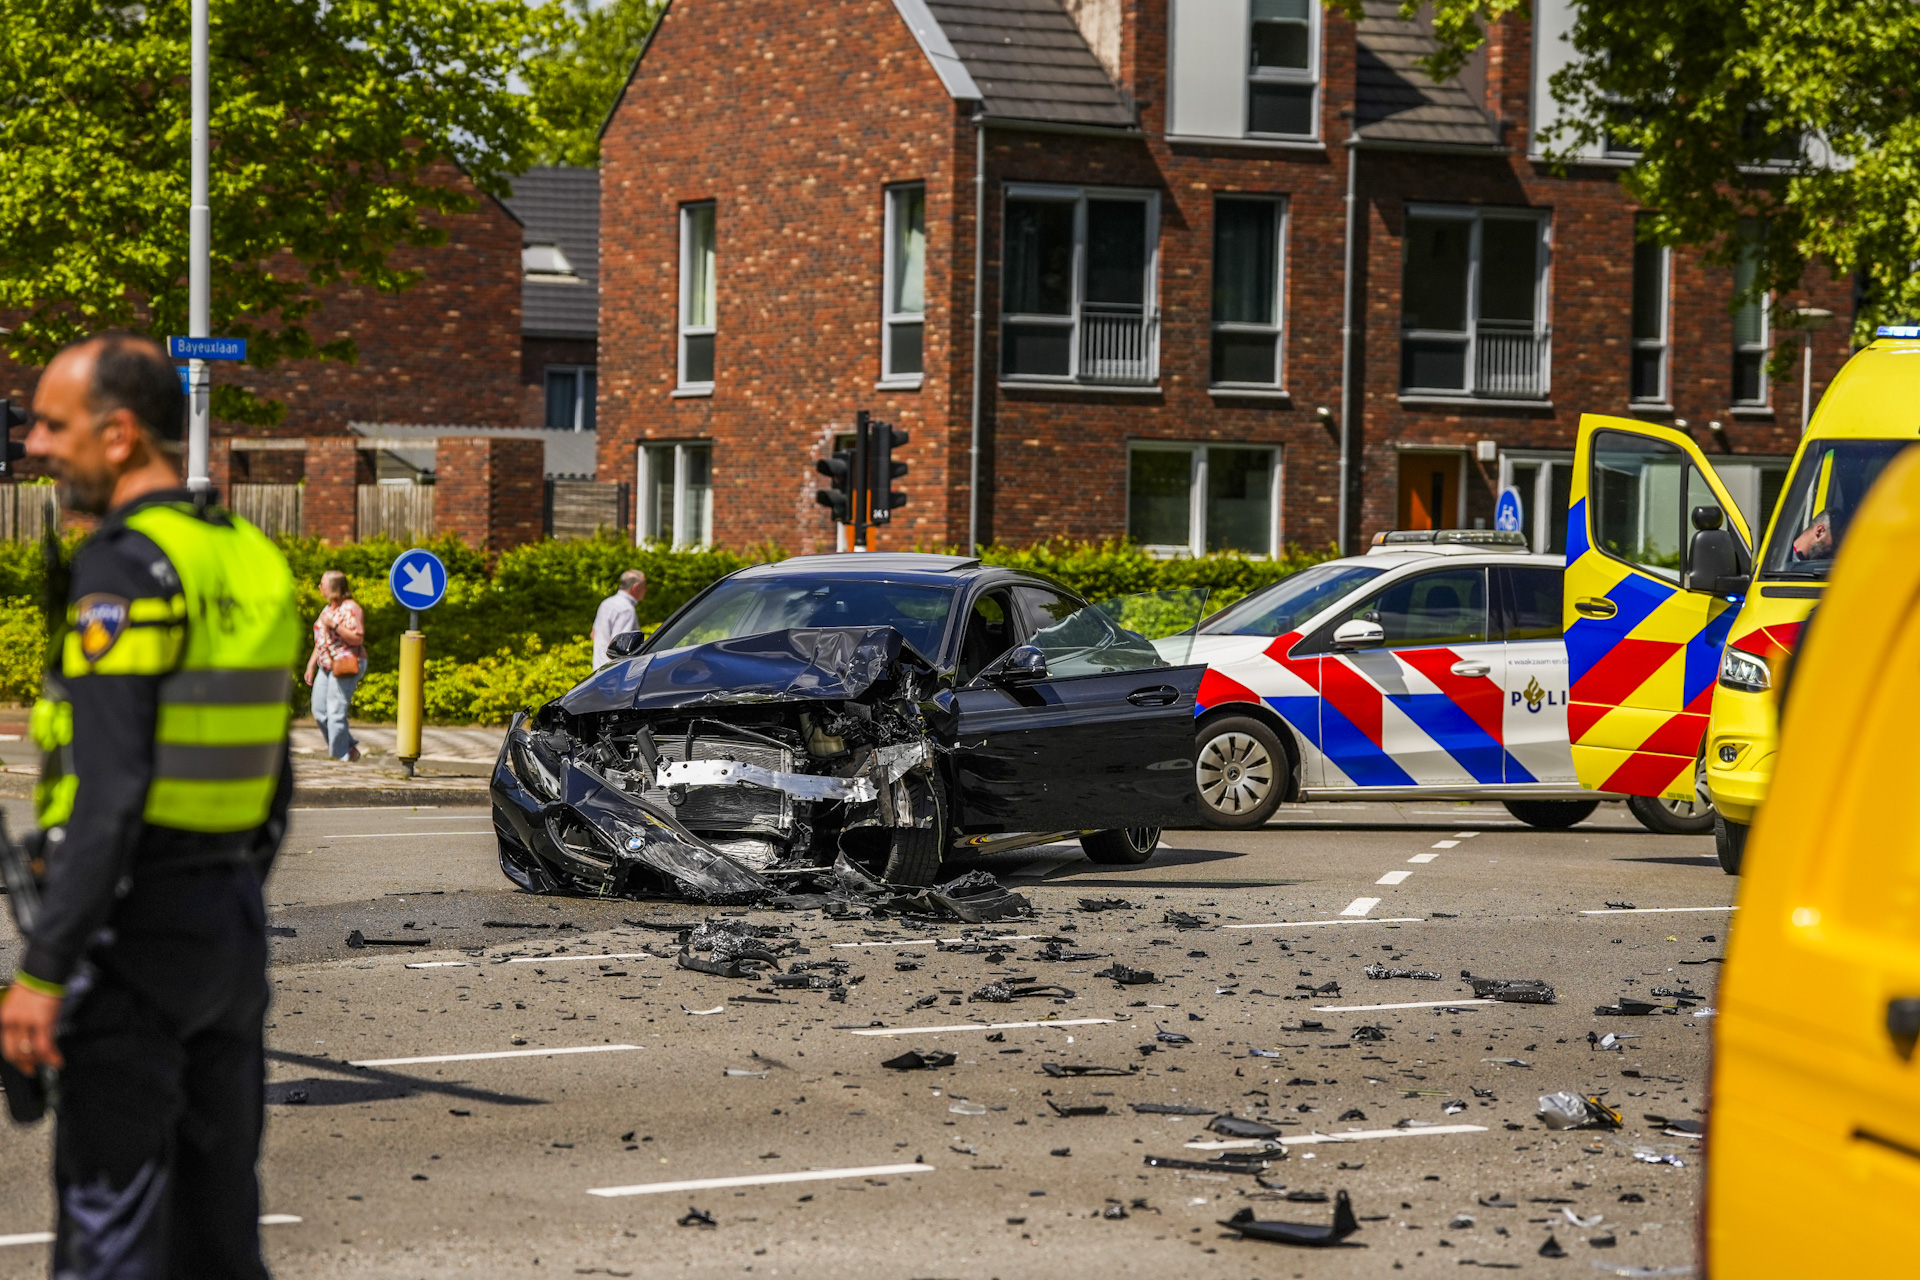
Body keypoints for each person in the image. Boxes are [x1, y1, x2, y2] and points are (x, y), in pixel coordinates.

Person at [0, 333, 300, 1279]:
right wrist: (227, 891)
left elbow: (111, 791)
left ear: (120, 435)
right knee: (218, 1231)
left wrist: (43, 972)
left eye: (53, 424)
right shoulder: (250, 556)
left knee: (111, 1233)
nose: (35, 445)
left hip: (130, 931)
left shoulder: (124, 569)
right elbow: (273, 780)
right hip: (228, 925)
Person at [304, 569, 366, 762]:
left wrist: (334, 625)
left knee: (335, 712)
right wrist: (311, 665)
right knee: (320, 711)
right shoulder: (327, 609)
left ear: (334, 587)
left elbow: (358, 638)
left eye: (323, 583)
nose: (319, 587)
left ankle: (339, 757)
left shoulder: (351, 608)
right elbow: (322, 641)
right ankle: (347, 746)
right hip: (326, 665)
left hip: (346, 664)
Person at [591, 567, 647, 666]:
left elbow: (593, 634)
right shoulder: (626, 609)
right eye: (644, 587)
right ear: (636, 587)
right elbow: (620, 647)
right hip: (613, 672)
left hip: (598, 669)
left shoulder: (606, 603)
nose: (646, 590)